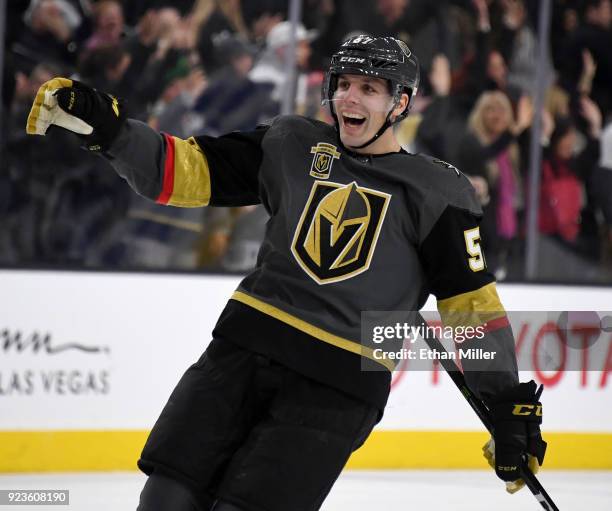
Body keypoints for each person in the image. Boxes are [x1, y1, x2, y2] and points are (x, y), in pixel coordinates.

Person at [26, 35, 546, 511]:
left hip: (335, 386)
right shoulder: (291, 143)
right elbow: (187, 170)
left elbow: (471, 309)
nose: (349, 99)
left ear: (401, 103)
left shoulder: (436, 192)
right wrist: (113, 132)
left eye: (369, 88)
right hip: (240, 352)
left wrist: (507, 405)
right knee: (164, 501)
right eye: (343, 84)